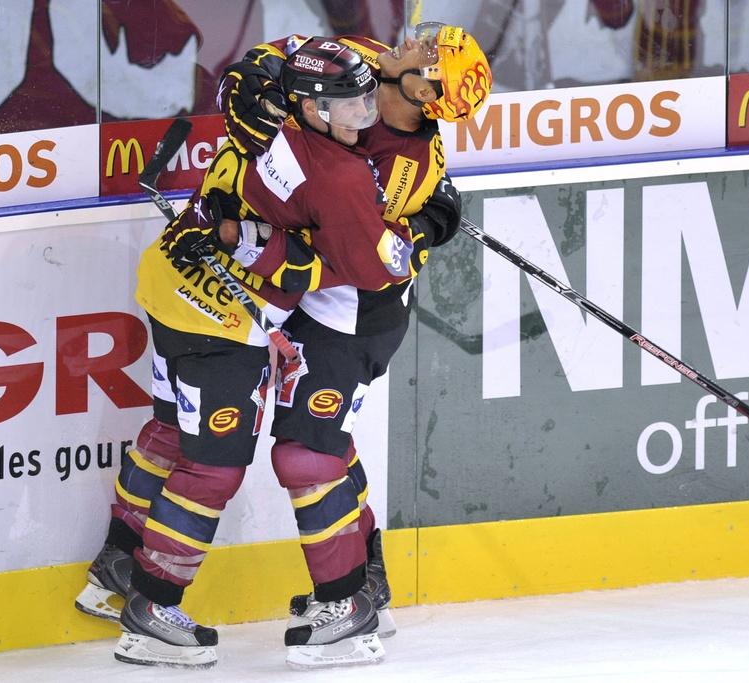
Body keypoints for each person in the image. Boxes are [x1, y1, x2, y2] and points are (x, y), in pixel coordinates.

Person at [76, 38, 441, 670]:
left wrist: (234, 233)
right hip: (220, 324)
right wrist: (418, 233)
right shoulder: (340, 175)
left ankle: (118, 561)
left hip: (171, 286)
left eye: (367, 95)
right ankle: (154, 607)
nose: (366, 109)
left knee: (170, 429)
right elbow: (370, 268)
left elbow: (263, 70)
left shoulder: (259, 118)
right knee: (215, 468)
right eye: (352, 101)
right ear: (313, 106)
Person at [218, 22, 491, 648]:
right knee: (325, 445)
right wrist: (251, 73)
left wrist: (268, 247)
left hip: (352, 313)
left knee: (305, 452)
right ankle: (365, 583)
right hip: (318, 302)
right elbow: (284, 54)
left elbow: (367, 260)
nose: (415, 38)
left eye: (430, 50)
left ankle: (347, 610)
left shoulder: (406, 166)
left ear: (424, 89)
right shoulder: (366, 62)